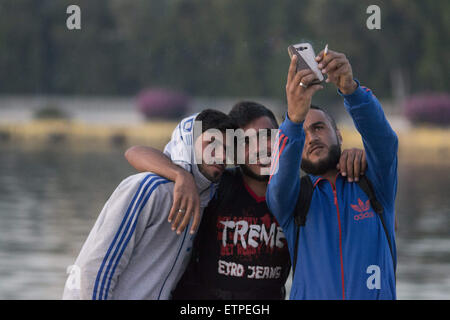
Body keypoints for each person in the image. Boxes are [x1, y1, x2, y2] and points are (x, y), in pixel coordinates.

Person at [125, 102, 368, 300]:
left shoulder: (298, 192)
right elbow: (135, 152)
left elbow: (373, 221)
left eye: (267, 137)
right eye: (247, 142)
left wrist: (351, 158)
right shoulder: (216, 184)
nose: (261, 149)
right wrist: (180, 175)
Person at [62, 109, 237, 300]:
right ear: (189, 141)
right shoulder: (148, 189)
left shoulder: (207, 200)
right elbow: (95, 269)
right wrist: (181, 174)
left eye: (226, 149)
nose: (220, 155)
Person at [266, 49, 398, 299]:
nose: (312, 138)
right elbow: (279, 178)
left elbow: (384, 141)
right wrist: (293, 120)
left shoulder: (374, 182)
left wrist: (351, 90)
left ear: (338, 134)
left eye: (318, 128)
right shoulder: (293, 200)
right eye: (302, 134)